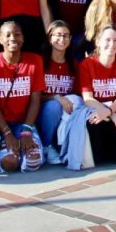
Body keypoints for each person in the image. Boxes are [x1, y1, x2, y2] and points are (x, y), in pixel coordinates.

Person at [0, 21, 45, 172]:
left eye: (17, 34)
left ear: (23, 38)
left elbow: (36, 99)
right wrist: (7, 133)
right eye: (8, 35)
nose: (13, 38)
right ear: (0, 39)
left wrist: (27, 130)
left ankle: (24, 150)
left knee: (32, 162)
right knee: (9, 163)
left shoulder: (35, 61)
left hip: (24, 123)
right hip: (1, 125)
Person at [79, 26, 116, 163]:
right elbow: (88, 98)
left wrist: (110, 111)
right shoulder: (87, 64)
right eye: (107, 40)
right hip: (95, 106)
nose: (112, 44)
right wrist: (110, 114)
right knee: (94, 123)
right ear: (98, 41)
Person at [37, 21, 80, 164]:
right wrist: (56, 97)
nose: (62, 39)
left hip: (65, 117)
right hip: (43, 114)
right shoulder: (40, 62)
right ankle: (46, 146)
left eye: (66, 36)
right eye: (58, 35)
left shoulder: (74, 64)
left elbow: (78, 94)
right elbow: (34, 96)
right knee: (53, 106)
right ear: (49, 38)